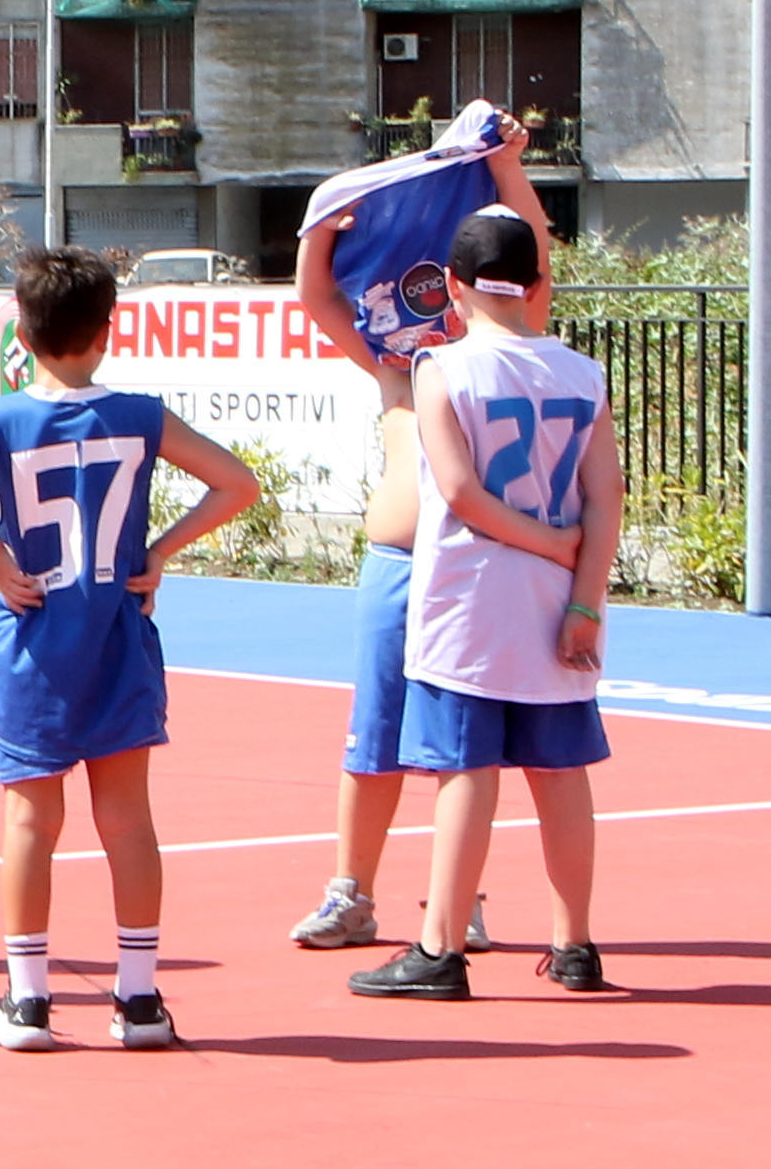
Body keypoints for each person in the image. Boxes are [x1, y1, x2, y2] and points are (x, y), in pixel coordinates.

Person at [0, 246, 259, 1054]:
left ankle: (28, 998)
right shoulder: (138, 414)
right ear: (108, 329)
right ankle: (138, 997)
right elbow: (238, 482)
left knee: (32, 816)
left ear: (22, 333)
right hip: (117, 631)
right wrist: (161, 548)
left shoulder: (1, 418)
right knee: (128, 816)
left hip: (34, 638)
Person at [287, 113, 550, 953]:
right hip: (397, 557)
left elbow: (531, 256)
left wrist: (506, 166)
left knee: (457, 740)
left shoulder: (508, 345)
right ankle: (350, 891)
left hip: (472, 562)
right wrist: (321, 231)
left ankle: (459, 895)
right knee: (374, 733)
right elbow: (318, 296)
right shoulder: (394, 357)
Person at [348, 209, 619, 1001]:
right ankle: (575, 943)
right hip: (554, 606)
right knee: (561, 771)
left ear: (455, 289)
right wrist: (585, 599)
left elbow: (462, 493)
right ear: (537, 284)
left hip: (469, 606)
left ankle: (439, 947)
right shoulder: (581, 373)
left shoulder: (444, 370)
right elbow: (606, 498)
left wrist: (542, 541)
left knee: (463, 769)